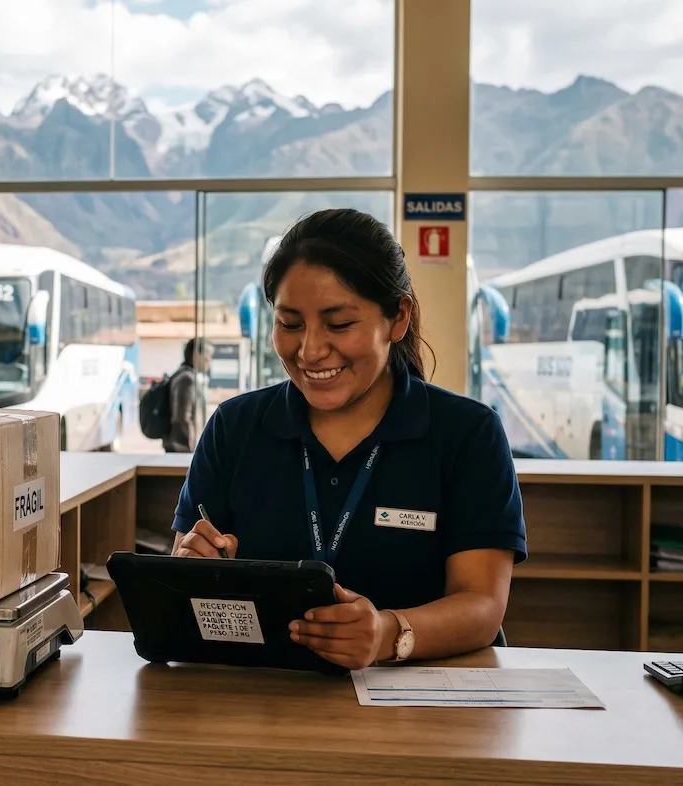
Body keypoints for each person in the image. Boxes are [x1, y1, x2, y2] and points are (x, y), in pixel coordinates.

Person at [171, 209, 526, 669]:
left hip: (422, 712)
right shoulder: (234, 427)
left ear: (397, 318)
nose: (311, 350)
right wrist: (189, 569)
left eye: (339, 325)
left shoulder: (467, 433)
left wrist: (388, 634)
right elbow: (180, 580)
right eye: (290, 324)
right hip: (265, 700)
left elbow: (482, 605)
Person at [164, 338, 212, 453]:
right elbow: (182, 418)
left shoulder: (184, 375)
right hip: (181, 448)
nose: (209, 361)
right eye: (207, 355)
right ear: (195, 354)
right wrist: (191, 449)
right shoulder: (187, 379)